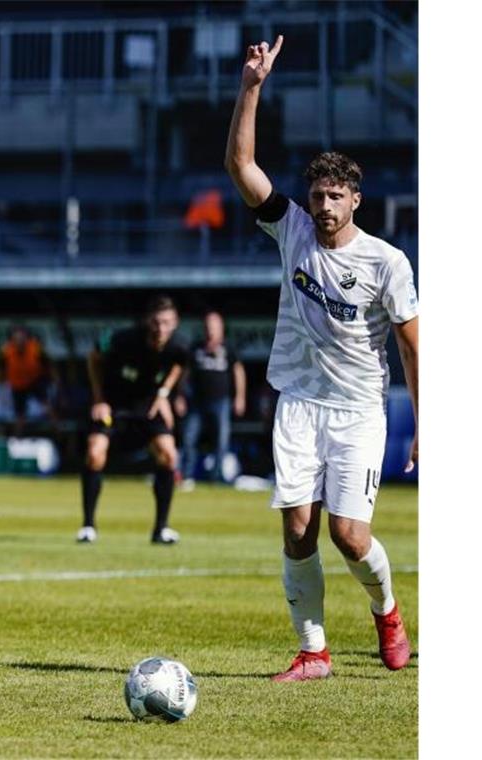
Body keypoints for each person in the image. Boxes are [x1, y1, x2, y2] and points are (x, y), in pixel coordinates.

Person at [225, 36, 417, 681]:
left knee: (349, 537)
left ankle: (387, 609)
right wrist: (252, 85)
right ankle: (314, 653)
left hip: (360, 410)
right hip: (299, 403)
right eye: (319, 194)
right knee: (298, 532)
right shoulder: (293, 229)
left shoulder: (387, 262)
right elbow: (241, 164)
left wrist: (425, 423)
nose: (325, 205)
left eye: (337, 196)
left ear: (355, 200)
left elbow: (413, 343)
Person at [77, 296, 188, 546]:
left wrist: (163, 395)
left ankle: (161, 529)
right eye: (157, 323)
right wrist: (98, 398)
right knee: (95, 454)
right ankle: (88, 526)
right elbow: (93, 356)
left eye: (168, 323)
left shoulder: (179, 346)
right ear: (148, 322)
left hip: (147, 405)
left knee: (169, 456)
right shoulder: (123, 339)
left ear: (176, 323)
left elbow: (179, 366)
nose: (162, 329)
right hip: (113, 403)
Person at [178, 310, 247, 488]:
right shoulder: (196, 348)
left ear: (221, 328)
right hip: (197, 402)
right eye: (207, 327)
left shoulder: (228, 348)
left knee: (221, 441)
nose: (210, 331)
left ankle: (216, 479)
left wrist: (240, 397)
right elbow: (184, 374)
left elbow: (238, 372)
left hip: (221, 401)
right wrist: (180, 396)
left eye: (214, 327)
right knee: (188, 438)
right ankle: (186, 476)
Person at [0, 324, 52, 434]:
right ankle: (18, 438)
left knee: (48, 407)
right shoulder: (6, 351)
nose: (19, 341)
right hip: (17, 385)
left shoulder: (35, 348)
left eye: (22, 338)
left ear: (27, 338)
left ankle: (58, 431)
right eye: (16, 338)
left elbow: (48, 362)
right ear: (12, 340)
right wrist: (2, 382)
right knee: (19, 416)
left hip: (34, 380)